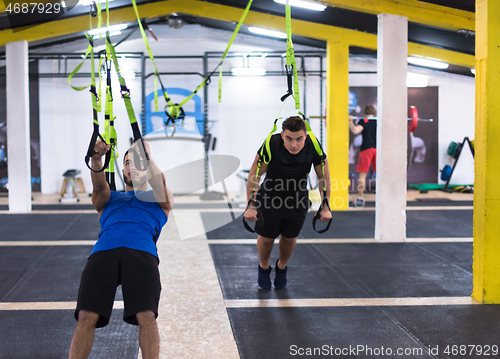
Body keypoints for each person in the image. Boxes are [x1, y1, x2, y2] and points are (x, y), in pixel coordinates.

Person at [68, 140, 173, 359]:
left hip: (141, 253)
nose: (132, 166)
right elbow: (99, 186)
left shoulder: (159, 199)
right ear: (122, 169)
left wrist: (148, 158)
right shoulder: (108, 199)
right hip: (104, 252)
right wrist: (96, 159)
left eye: (138, 163)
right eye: (127, 163)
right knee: (86, 316)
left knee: (146, 316)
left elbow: (160, 181)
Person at [244, 116, 332, 289]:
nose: (294, 145)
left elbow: (323, 175)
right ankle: (263, 267)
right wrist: (251, 205)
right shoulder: (271, 143)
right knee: (267, 238)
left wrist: (326, 205)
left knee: (289, 238)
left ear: (305, 136)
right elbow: (255, 174)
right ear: (282, 134)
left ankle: (281, 267)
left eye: (299, 139)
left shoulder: (313, 145)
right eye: (289, 139)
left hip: (297, 198)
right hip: (270, 196)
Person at [349, 105, 377, 207]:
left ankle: (360, 198)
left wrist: (350, 122)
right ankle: (384, 198)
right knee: (381, 176)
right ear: (374, 112)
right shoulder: (378, 121)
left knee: (362, 176)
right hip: (378, 150)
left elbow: (355, 130)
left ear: (364, 112)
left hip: (366, 149)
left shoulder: (363, 120)